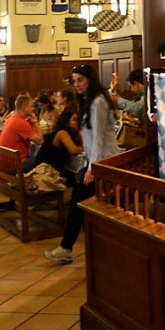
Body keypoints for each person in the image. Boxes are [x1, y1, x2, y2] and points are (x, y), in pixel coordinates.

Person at [45, 64, 120, 264]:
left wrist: (92, 167)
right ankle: (67, 247)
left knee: (81, 203)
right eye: (74, 80)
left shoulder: (97, 102)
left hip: (104, 162)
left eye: (80, 80)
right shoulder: (89, 100)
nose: (76, 84)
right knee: (80, 204)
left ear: (90, 80)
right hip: (97, 161)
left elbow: (98, 139)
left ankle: (67, 247)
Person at [33, 110, 84, 188]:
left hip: (51, 168)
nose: (78, 121)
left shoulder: (70, 133)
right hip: (46, 172)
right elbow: (74, 150)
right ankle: (75, 199)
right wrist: (81, 148)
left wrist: (78, 132)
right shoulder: (62, 133)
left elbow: (80, 146)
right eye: (74, 119)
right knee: (78, 178)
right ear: (66, 121)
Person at [0, 94, 43, 172]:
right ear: (24, 107)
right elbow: (40, 141)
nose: (33, 109)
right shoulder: (20, 122)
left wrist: (30, 124)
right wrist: (35, 122)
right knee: (47, 159)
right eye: (31, 106)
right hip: (15, 165)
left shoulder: (11, 119)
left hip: (4, 162)